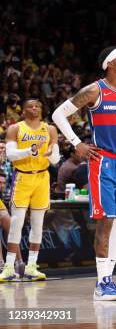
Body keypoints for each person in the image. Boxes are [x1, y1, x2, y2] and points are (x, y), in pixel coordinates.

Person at [52, 47, 116, 301]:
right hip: (103, 163)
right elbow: (58, 114)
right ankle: (102, 283)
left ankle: (109, 280)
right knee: (106, 223)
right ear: (109, 64)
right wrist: (77, 143)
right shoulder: (94, 90)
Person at [0, 99, 60, 282]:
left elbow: (56, 160)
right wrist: (29, 151)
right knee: (16, 222)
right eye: (31, 106)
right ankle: (9, 267)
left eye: (38, 106)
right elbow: (10, 155)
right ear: (23, 111)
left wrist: (52, 153)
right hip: (23, 177)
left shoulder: (49, 129)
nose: (35, 108)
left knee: (38, 223)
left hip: (42, 178)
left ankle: (32, 267)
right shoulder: (15, 128)